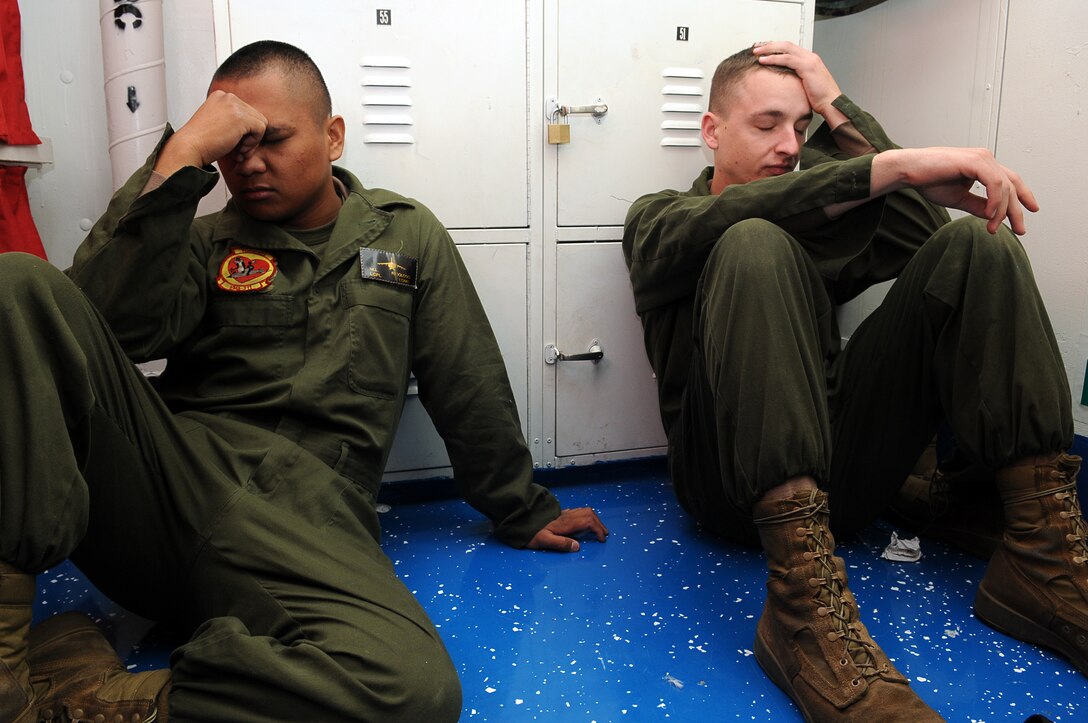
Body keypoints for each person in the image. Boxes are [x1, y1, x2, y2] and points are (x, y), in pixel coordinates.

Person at [0, 40, 608, 722]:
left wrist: (521, 507)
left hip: (304, 522)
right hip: (170, 487)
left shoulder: (403, 237)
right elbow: (98, 329)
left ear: (333, 133)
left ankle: (100, 697)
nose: (250, 164)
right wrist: (179, 160)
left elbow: (465, 376)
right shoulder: (201, 243)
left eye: (274, 141)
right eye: (233, 149)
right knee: (17, 285)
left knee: (412, 689)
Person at [622, 40, 1087, 721]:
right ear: (712, 131)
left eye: (801, 129)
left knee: (975, 246)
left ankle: (1042, 559)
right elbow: (732, 221)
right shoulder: (661, 219)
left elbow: (923, 232)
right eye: (767, 124)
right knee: (752, 238)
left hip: (843, 472)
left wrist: (840, 108)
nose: (789, 145)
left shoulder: (821, 216)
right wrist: (891, 165)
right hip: (725, 486)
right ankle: (801, 610)